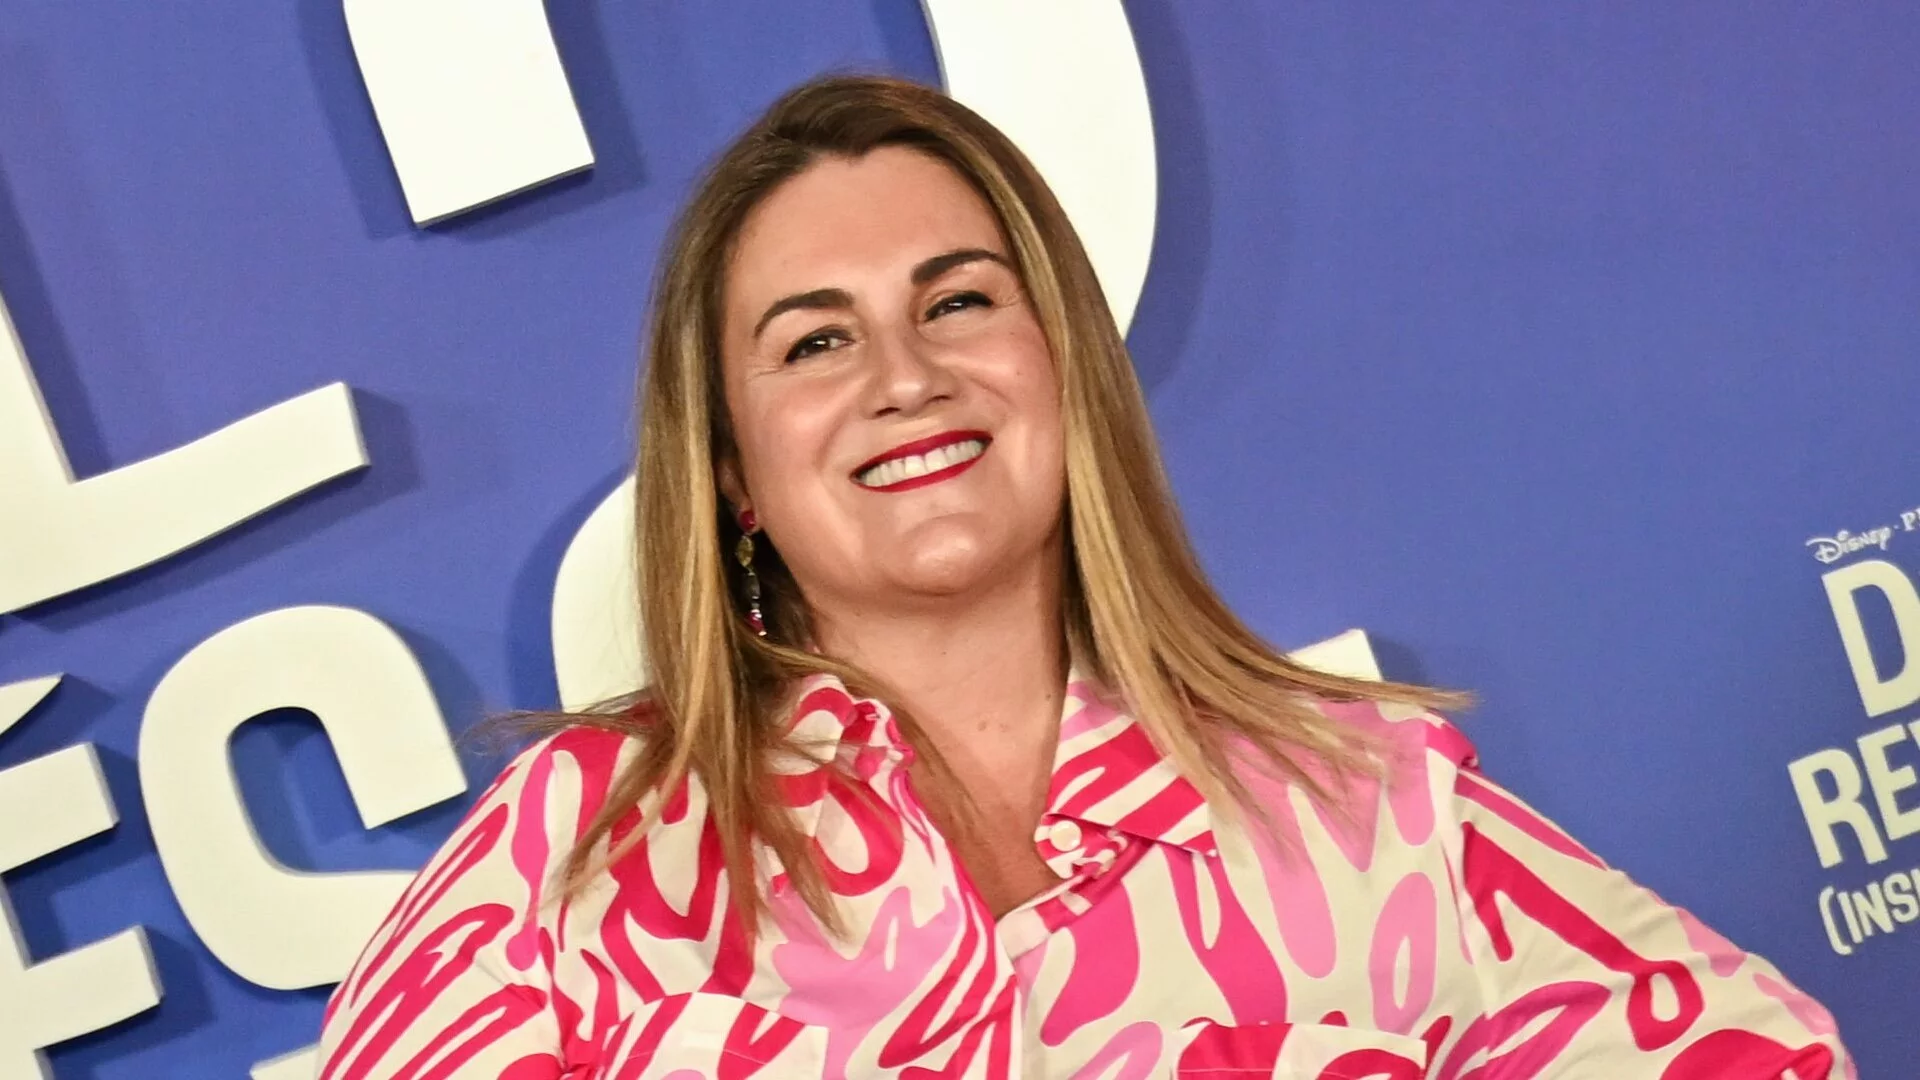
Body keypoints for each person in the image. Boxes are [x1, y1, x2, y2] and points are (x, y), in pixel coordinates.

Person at [314, 74, 1849, 1079]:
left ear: (1064, 368)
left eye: (958, 302)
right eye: (817, 340)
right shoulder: (581, 846)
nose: (904, 376)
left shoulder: (1362, 798)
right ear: (730, 469)